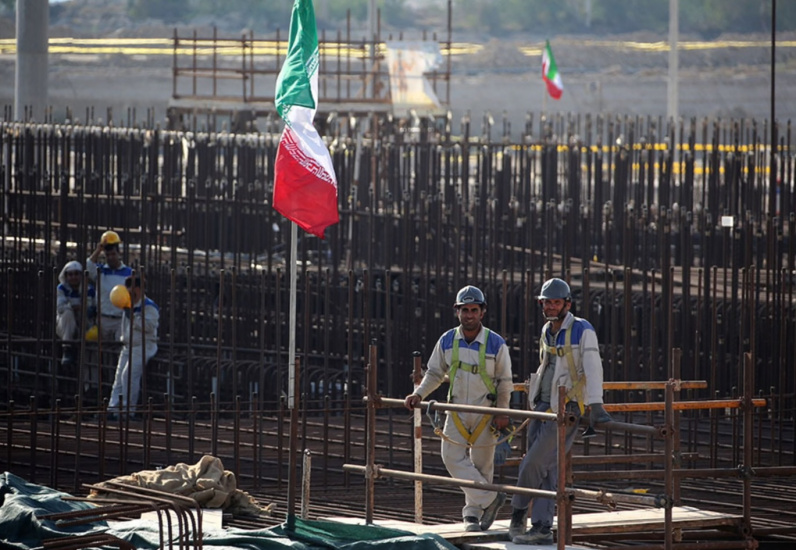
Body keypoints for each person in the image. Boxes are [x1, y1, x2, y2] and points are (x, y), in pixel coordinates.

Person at [509, 277, 612, 545]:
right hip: (542, 405)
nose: (551, 307)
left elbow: (593, 367)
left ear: (567, 304)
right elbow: (546, 365)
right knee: (546, 468)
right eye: (547, 302)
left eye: (556, 302)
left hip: (566, 408)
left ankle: (518, 512)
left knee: (533, 463)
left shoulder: (582, 330)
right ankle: (542, 527)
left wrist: (596, 404)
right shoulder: (547, 329)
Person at [404, 285, 513, 533]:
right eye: (465, 310)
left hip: (486, 412)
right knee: (451, 457)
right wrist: (418, 394)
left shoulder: (496, 343)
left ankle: (473, 515)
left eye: (474, 310)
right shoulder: (447, 340)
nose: (469, 315)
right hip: (457, 411)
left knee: (482, 465)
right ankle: (490, 499)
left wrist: (503, 411)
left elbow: (505, 382)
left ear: (482, 312)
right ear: (457, 311)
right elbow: (434, 373)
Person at [108, 274, 159, 417]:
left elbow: (149, 327)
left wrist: (133, 318)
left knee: (128, 376)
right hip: (128, 345)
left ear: (140, 289)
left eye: (134, 287)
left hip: (143, 345)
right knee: (118, 379)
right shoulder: (127, 304)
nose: (131, 291)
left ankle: (127, 411)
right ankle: (112, 409)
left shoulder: (149, 306)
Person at [86, 230, 133, 343]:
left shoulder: (128, 272)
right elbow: (88, 267)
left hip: (120, 319)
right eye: (107, 255)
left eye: (113, 254)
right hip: (103, 318)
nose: (111, 257)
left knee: (120, 347)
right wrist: (98, 250)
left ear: (119, 254)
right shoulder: (100, 271)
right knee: (102, 350)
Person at [55, 260, 96, 367]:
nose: (74, 277)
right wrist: (77, 308)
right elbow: (60, 308)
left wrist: (83, 309)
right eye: (70, 274)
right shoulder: (61, 289)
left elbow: (94, 309)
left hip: (85, 325)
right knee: (68, 313)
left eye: (77, 274)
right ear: (66, 276)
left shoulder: (90, 289)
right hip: (65, 327)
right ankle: (67, 348)